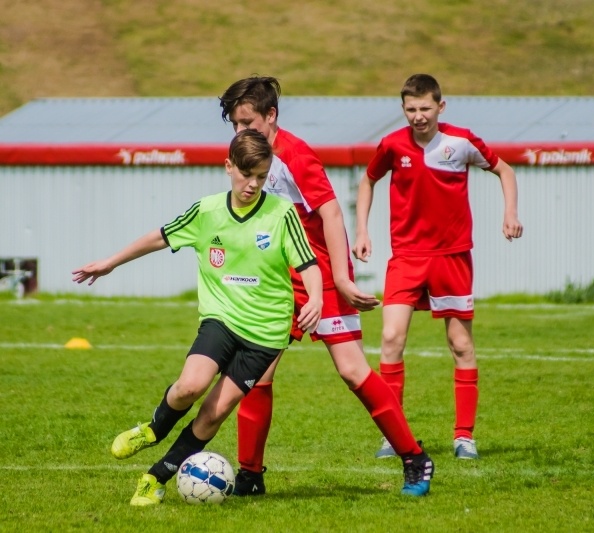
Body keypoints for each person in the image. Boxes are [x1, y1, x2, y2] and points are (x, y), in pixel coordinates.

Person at [71, 130, 324, 506]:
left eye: (261, 176)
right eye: (245, 174)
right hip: (221, 319)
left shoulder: (281, 214)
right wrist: (110, 262)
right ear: (228, 167)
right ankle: (153, 428)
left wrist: (315, 299)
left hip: (266, 334)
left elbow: (309, 263)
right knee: (190, 386)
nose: (252, 184)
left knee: (214, 413)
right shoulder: (206, 212)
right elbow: (160, 237)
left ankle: (155, 478)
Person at [218, 76, 434, 497]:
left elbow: (332, 215)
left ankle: (413, 456)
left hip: (320, 272)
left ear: (271, 116)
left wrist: (340, 278)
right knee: (257, 375)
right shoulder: (246, 154)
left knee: (352, 370)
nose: (240, 132)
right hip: (280, 280)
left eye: (248, 122)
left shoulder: (296, 156)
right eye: (235, 124)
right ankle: (250, 474)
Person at [352, 73, 524, 460]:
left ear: (440, 107)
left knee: (460, 343)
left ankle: (464, 437)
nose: (418, 116)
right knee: (392, 339)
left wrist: (509, 212)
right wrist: (361, 230)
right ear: (403, 110)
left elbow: (505, 171)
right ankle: (393, 438)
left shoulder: (461, 141)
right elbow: (367, 181)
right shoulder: (392, 145)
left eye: (425, 108)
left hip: (452, 257)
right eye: (410, 109)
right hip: (407, 258)